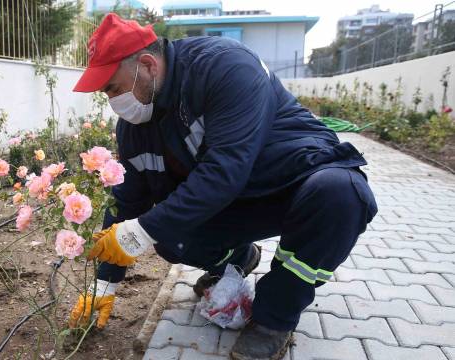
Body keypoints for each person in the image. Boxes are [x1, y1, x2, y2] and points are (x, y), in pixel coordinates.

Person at [68, 13, 378, 360]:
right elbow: (128, 201)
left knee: (343, 194)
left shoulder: (224, 67)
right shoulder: (136, 127)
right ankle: (239, 258)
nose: (111, 100)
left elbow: (225, 168)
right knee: (171, 235)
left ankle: (274, 316)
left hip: (292, 179)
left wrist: (139, 232)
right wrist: (103, 284)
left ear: (147, 65)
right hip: (233, 197)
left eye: (113, 87)